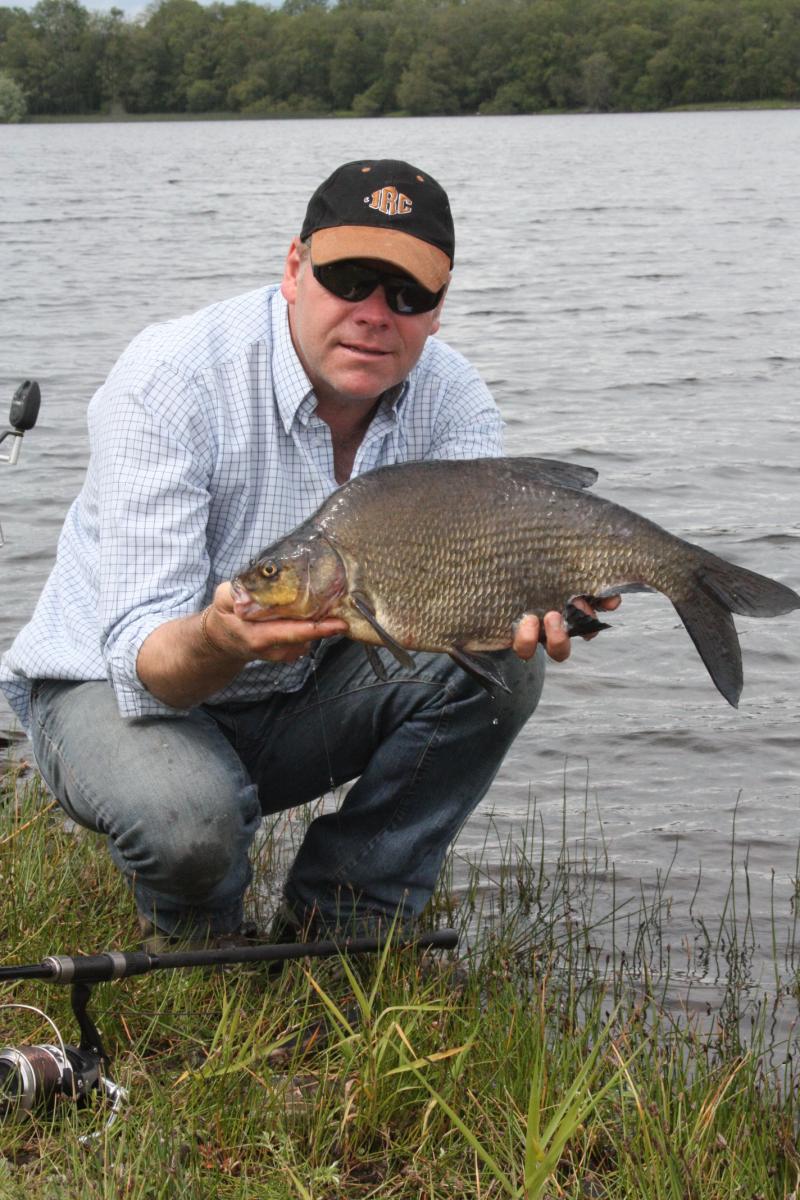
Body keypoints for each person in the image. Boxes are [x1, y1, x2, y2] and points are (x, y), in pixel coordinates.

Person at [0, 159, 615, 947]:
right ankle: (202, 940)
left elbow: (492, 566)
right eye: (349, 278)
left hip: (290, 692)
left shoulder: (456, 399)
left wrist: (551, 604)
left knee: (506, 663)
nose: (373, 313)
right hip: (109, 690)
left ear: (439, 306)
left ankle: (347, 925)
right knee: (189, 822)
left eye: (407, 294)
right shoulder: (171, 377)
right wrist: (223, 636)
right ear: (295, 268)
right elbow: (146, 660)